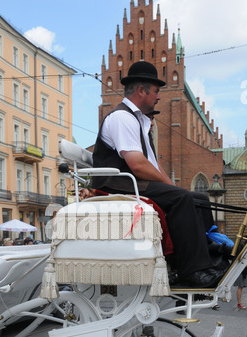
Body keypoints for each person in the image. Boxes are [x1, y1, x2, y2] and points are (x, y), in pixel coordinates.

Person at [92, 61, 226, 288]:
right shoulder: (122, 117)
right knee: (182, 198)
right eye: (156, 91)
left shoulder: (139, 121)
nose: (159, 97)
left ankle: (206, 253)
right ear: (141, 90)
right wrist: (174, 189)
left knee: (199, 199)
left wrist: (175, 187)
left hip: (134, 183)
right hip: (118, 185)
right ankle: (191, 270)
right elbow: (138, 165)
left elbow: (153, 165)